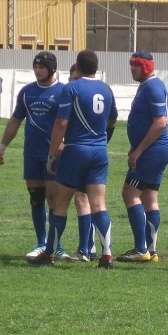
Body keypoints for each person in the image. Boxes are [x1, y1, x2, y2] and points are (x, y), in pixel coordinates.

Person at [32, 50, 118, 268]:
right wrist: (103, 138)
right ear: (96, 67)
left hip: (75, 150)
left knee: (61, 203)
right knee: (98, 203)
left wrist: (52, 155)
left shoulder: (72, 87)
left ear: (77, 67)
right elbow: (113, 118)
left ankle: (49, 254)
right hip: (99, 151)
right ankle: (107, 254)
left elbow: (61, 123)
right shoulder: (106, 89)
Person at [0, 51, 71, 261]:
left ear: (52, 69)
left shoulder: (64, 92)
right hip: (31, 154)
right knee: (36, 198)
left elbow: (71, 123)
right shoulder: (27, 92)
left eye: (42, 67)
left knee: (53, 199)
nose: (37, 70)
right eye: (35, 67)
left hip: (54, 155)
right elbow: (15, 120)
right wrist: (2, 147)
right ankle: (41, 243)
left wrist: (65, 144)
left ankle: (56, 246)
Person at [117, 50, 168, 263]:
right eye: (131, 64)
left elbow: (160, 122)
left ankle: (141, 249)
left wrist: (139, 151)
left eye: (136, 65)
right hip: (152, 149)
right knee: (149, 197)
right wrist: (134, 146)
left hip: (153, 151)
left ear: (147, 66)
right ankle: (151, 250)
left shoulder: (153, 87)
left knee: (129, 193)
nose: (132, 68)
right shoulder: (147, 86)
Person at [67, 64, 98, 261]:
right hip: (95, 153)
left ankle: (85, 249)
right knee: (89, 200)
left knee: (81, 198)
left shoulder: (73, 98)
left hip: (78, 153)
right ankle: (91, 248)